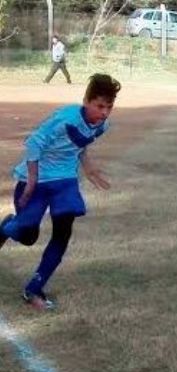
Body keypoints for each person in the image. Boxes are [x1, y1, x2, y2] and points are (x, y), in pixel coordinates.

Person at [0, 74, 120, 311]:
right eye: (99, 106)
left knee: (62, 233)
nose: (105, 113)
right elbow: (34, 143)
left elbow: (80, 144)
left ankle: (34, 288)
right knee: (27, 236)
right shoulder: (66, 119)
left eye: (109, 107)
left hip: (65, 181)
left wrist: (88, 166)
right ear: (86, 100)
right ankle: (6, 227)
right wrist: (32, 180)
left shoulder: (102, 125)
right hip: (35, 180)